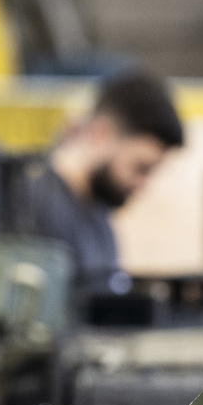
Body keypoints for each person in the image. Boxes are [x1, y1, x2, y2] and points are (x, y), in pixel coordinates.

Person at [26, 70, 184, 297]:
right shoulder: (33, 211)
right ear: (101, 134)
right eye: (140, 168)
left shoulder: (97, 212)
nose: (143, 185)